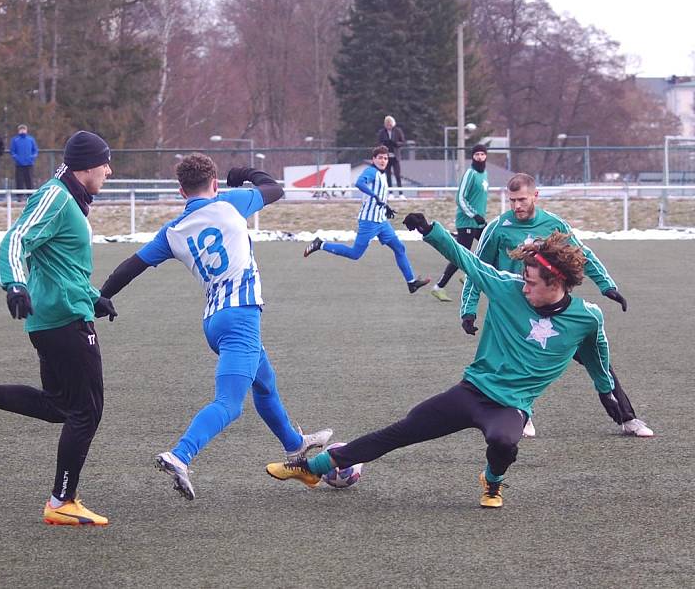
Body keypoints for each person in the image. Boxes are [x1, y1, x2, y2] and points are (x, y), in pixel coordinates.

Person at [268, 214, 621, 509]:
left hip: (511, 406)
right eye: (524, 280)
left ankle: (492, 481)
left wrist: (606, 391)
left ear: (556, 281)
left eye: (531, 282)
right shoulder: (506, 287)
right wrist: (430, 230)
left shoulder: (586, 317)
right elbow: (468, 260)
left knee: (503, 441)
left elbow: (596, 356)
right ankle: (312, 468)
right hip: (471, 391)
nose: (524, 287)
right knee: (400, 431)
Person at [98, 153, 332, 501]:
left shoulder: (172, 231)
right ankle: (180, 455)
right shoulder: (229, 202)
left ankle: (296, 449)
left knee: (265, 384)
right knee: (229, 404)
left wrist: (100, 297)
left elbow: (129, 268)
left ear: (180, 191)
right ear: (215, 183)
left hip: (214, 321)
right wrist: (245, 172)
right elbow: (274, 189)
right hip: (241, 317)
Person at [0, 130, 116, 526]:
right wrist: (14, 284)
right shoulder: (54, 196)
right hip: (62, 319)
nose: (109, 170)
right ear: (86, 165)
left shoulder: (71, 198)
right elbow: (16, 240)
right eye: (104, 163)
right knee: (86, 411)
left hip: (61, 312)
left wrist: (92, 294)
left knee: (60, 406)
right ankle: (61, 501)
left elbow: (60, 262)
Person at [459, 173, 654, 438]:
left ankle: (627, 418)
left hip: (554, 311)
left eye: (522, 199)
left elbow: (582, 255)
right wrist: (468, 310)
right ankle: (521, 414)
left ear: (535, 196)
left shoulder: (554, 224)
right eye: (512, 200)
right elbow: (476, 269)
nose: (517, 206)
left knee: (598, 360)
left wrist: (607, 286)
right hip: (514, 314)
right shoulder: (497, 228)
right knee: (518, 366)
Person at [303, 145, 430, 295]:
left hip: (381, 221)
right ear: (373, 159)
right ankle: (320, 244)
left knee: (399, 248)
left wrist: (385, 206)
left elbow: (378, 196)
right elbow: (359, 183)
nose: (383, 160)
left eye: (385, 158)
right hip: (369, 222)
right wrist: (375, 196)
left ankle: (411, 283)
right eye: (380, 158)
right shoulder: (371, 171)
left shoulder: (382, 175)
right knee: (355, 254)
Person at [431, 144, 489, 302]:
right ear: (473, 156)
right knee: (459, 256)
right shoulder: (470, 174)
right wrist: (473, 214)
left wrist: (480, 216)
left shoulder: (484, 174)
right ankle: (439, 287)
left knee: (489, 245)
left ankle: (468, 275)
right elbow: (460, 198)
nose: (480, 157)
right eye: (477, 154)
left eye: (482, 154)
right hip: (467, 222)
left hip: (478, 222)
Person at [377, 115, 405, 195]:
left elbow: (402, 142)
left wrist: (395, 143)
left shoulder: (397, 131)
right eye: (387, 125)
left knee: (397, 175)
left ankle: (401, 193)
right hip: (386, 157)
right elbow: (379, 142)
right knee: (388, 175)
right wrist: (384, 145)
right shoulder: (382, 132)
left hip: (395, 156)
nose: (388, 126)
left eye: (390, 124)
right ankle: (390, 193)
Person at [10, 124, 39, 201]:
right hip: (19, 164)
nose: (22, 131)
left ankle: (30, 196)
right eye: (21, 129)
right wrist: (17, 159)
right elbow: (12, 151)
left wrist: (31, 158)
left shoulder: (31, 139)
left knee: (29, 180)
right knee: (19, 180)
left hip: (29, 164)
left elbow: (35, 150)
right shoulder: (15, 140)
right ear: (18, 131)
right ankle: (20, 196)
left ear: (26, 130)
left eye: (24, 129)